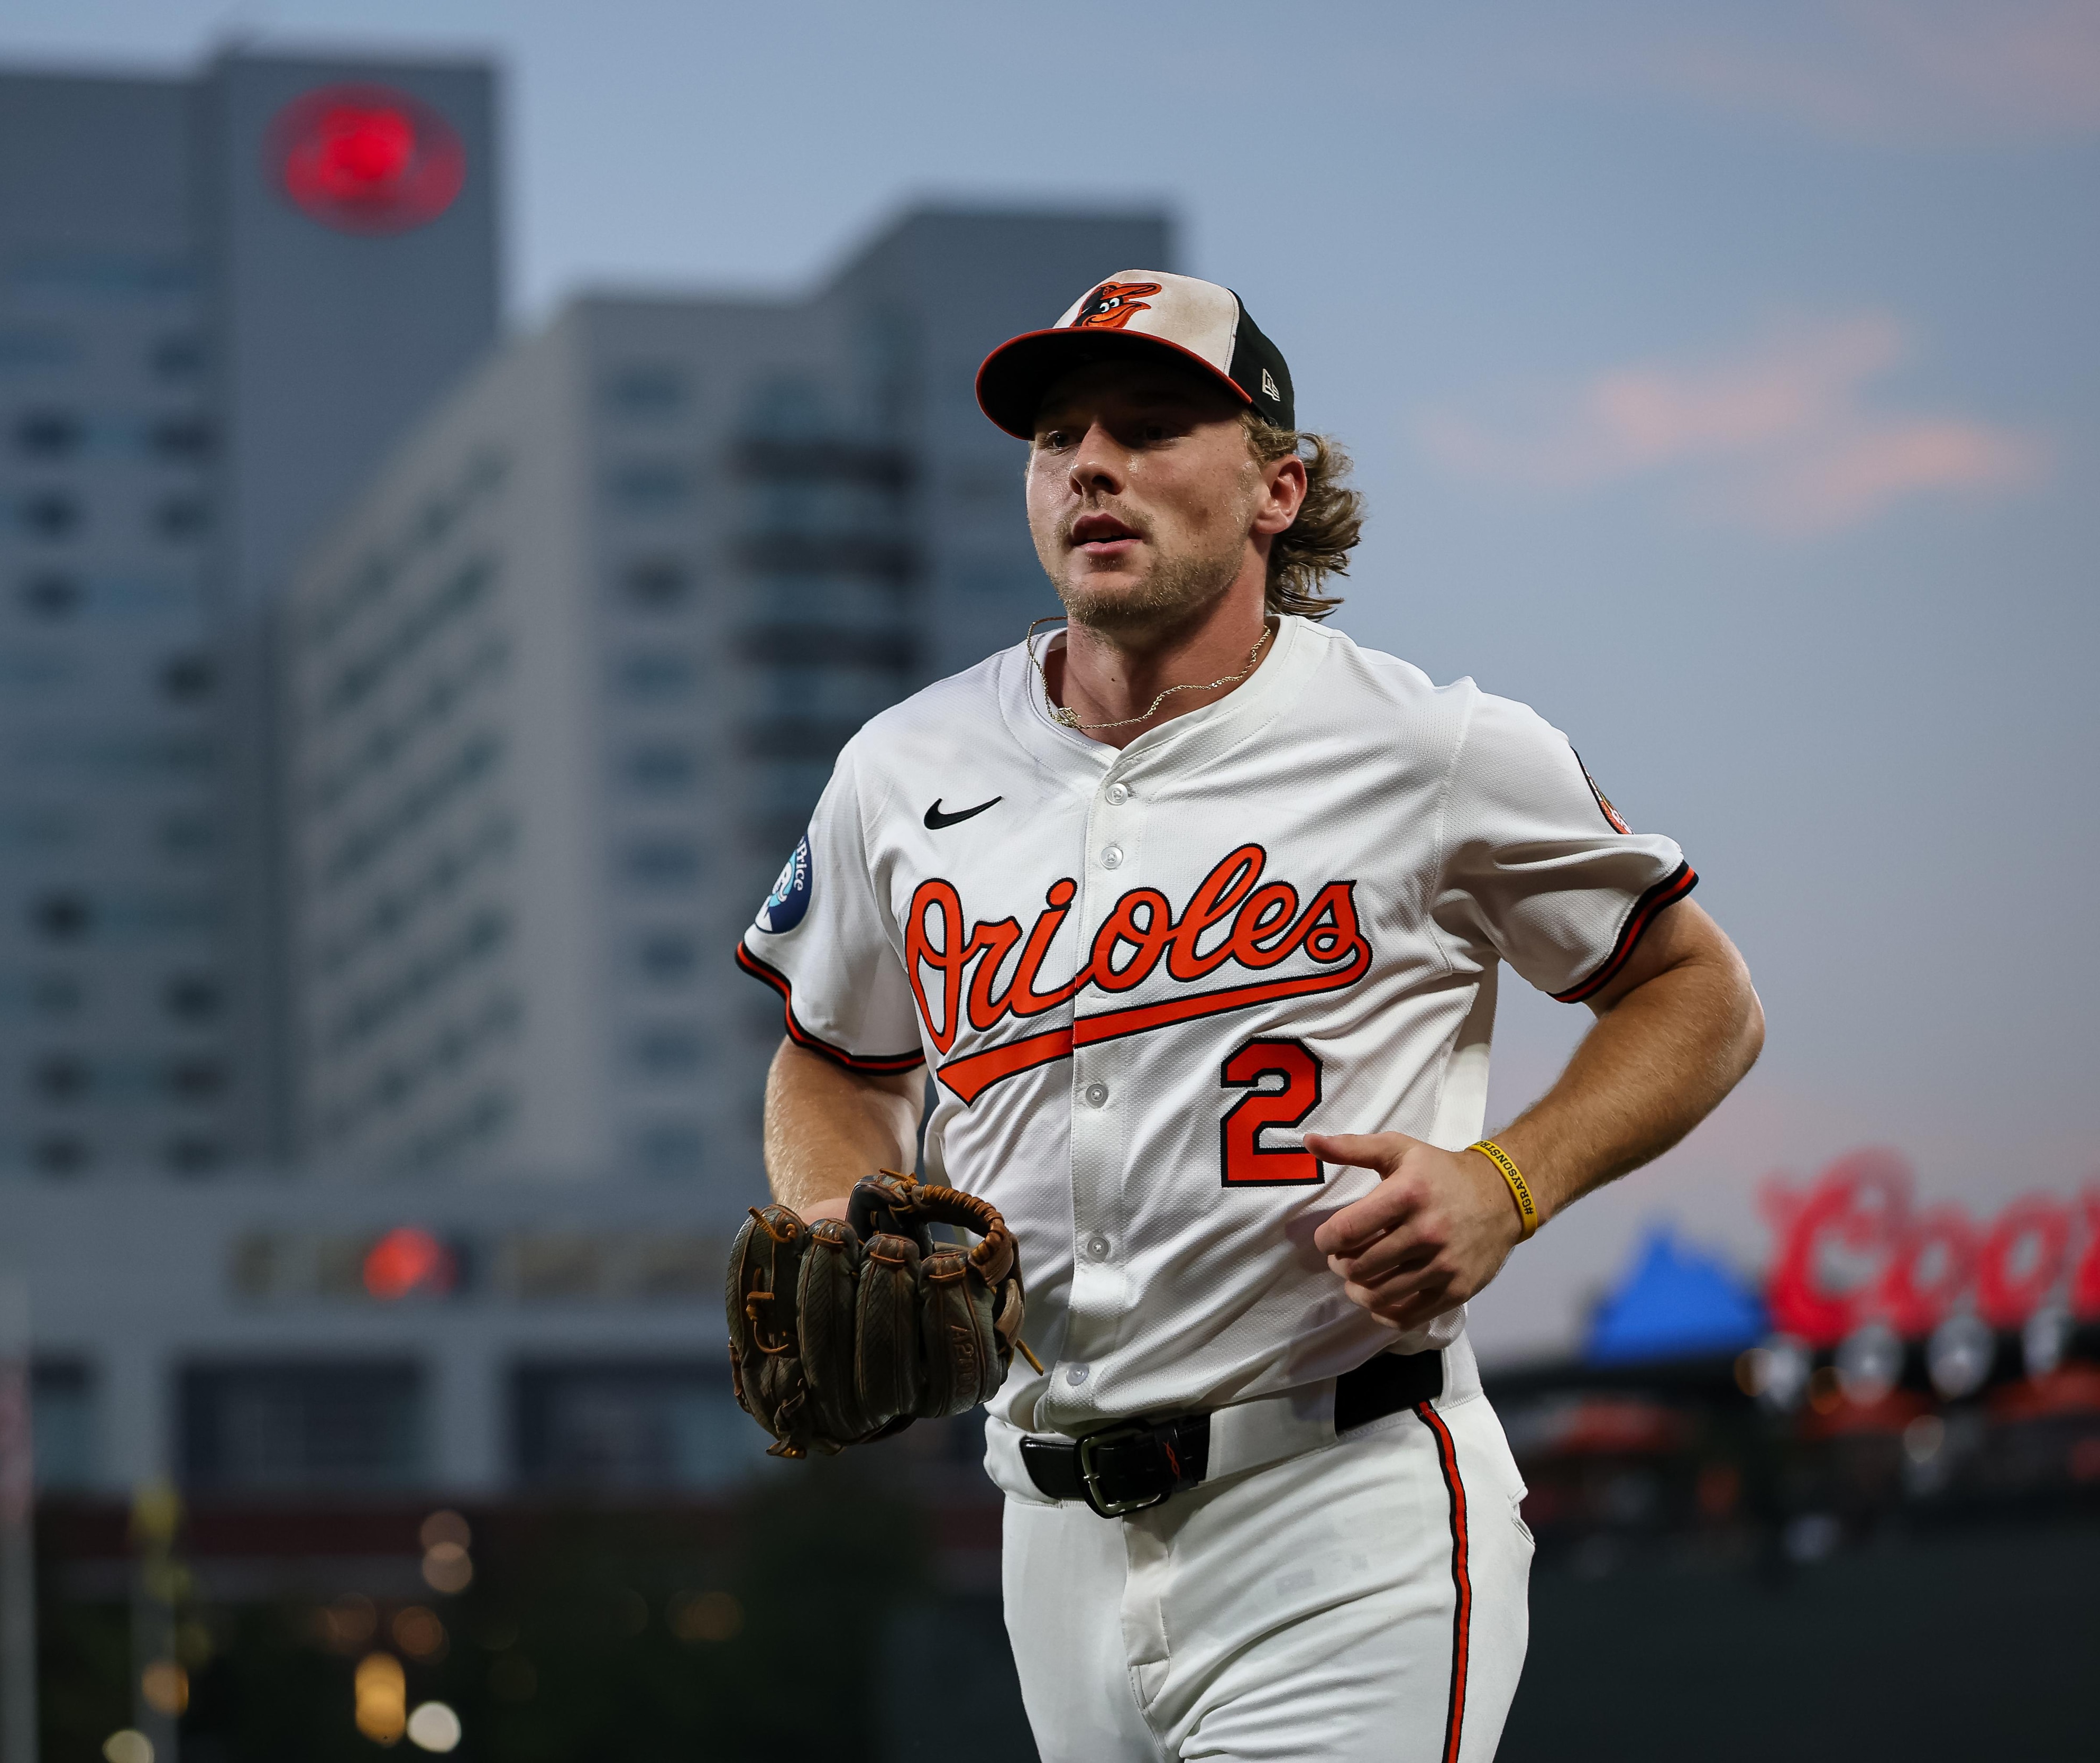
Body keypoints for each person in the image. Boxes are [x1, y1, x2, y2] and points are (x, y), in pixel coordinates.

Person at [735, 272, 1764, 1761]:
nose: (1092, 465)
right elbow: (835, 1059)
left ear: (1280, 488)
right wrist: (836, 1210)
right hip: (1048, 1532)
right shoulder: (905, 767)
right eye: (1059, 437)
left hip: (1341, 1503)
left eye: (1151, 428)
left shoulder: (1428, 746)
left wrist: (1509, 1181)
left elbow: (1701, 991)